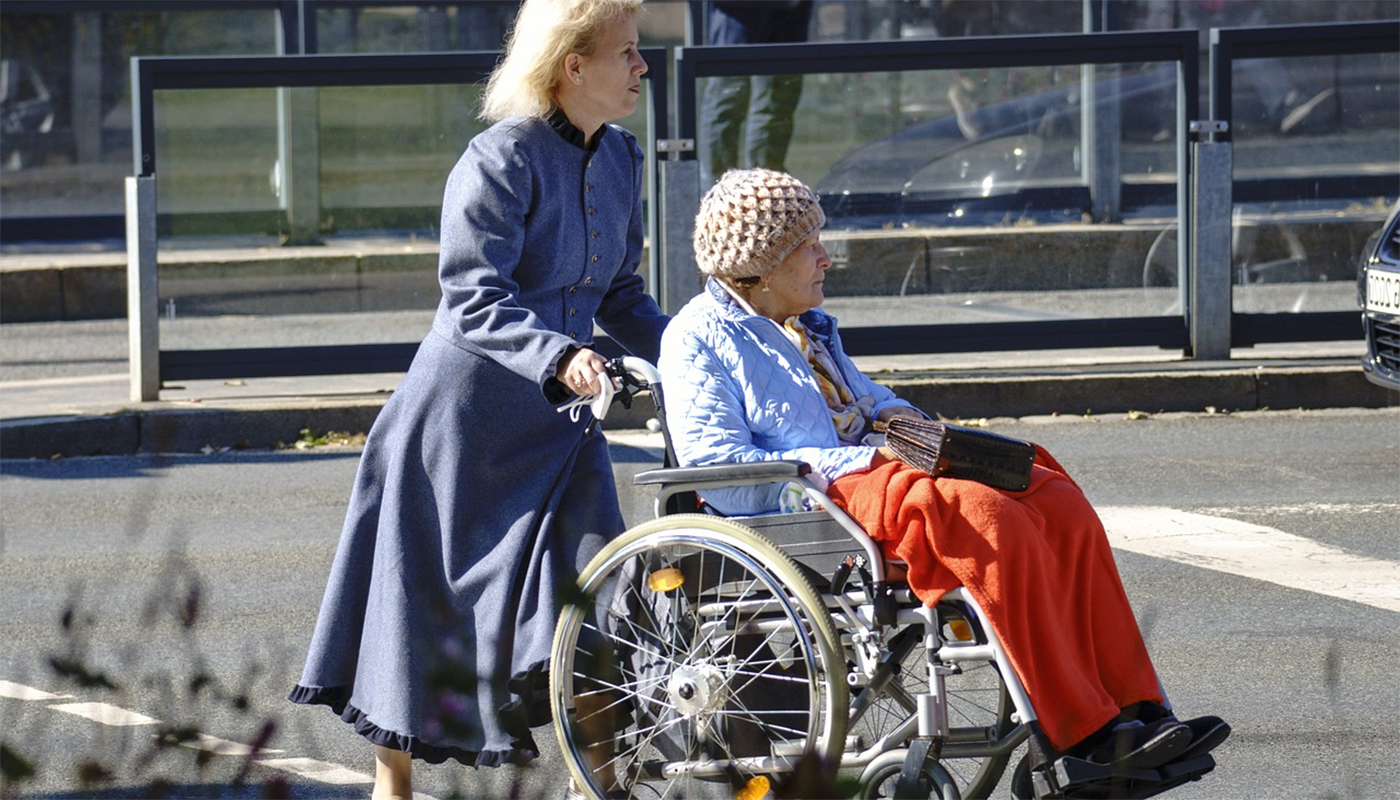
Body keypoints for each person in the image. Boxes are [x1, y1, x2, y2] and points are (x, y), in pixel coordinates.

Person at [658, 167, 1230, 774]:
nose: (826, 257)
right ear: (764, 265)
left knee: (1053, 495)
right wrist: (862, 457)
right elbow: (719, 468)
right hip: (808, 501)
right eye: (810, 245)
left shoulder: (801, 325)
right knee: (988, 518)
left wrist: (910, 426)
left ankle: (1136, 706)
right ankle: (1080, 732)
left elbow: (864, 400)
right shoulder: (696, 337)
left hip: (869, 476)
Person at [288, 2, 667, 798]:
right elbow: (473, 295)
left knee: (596, 589)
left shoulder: (623, 155)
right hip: (459, 421)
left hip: (560, 423)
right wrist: (560, 355)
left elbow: (622, 295)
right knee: (421, 602)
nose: (642, 67)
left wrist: (699, 358)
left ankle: (601, 785)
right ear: (574, 66)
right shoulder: (500, 157)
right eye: (627, 52)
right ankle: (391, 784)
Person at [698, 1, 814, 186]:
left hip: (791, 7)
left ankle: (767, 191)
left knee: (777, 100)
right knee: (729, 95)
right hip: (737, 9)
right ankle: (718, 192)